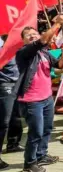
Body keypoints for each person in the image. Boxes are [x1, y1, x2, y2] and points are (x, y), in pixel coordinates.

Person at [15, 16, 63, 172]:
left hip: (47, 98)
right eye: (28, 35)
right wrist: (57, 23)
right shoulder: (24, 52)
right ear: (24, 41)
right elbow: (43, 41)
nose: (32, 36)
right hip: (32, 101)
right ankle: (29, 164)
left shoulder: (44, 53)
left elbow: (57, 65)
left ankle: (41, 155)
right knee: (36, 132)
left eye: (34, 33)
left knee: (47, 129)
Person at [0, 36, 24, 170]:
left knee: (16, 117)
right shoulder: (2, 48)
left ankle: (13, 144)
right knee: (3, 122)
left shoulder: (17, 47)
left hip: (16, 84)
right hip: (5, 85)